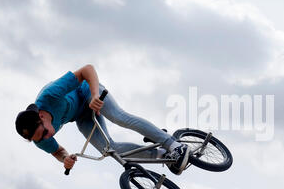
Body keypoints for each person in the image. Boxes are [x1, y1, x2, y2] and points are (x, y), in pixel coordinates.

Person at [15, 65, 190, 175]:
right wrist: (65, 158)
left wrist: (94, 96)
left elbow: (87, 70)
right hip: (81, 116)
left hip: (88, 91)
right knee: (108, 150)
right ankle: (164, 156)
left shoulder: (50, 94)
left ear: (41, 116)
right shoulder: (39, 138)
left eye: (45, 132)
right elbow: (57, 151)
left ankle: (174, 145)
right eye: (42, 138)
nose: (48, 137)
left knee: (118, 117)